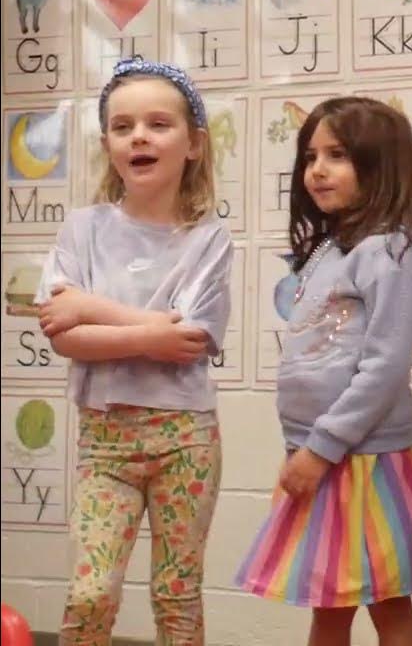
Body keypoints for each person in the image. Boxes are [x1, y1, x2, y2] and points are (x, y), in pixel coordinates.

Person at [236, 97, 412, 646]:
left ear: (380, 166)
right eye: (311, 156)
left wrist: (321, 448)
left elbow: (384, 365)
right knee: (328, 600)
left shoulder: (391, 252)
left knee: (386, 594)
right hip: (320, 452)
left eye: (337, 155)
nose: (317, 170)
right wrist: (304, 449)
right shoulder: (331, 249)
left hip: (367, 455)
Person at [37, 57, 232, 645]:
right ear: (108, 145)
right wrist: (150, 331)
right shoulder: (83, 229)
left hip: (186, 439)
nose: (139, 136)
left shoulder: (208, 239)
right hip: (105, 440)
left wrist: (95, 309)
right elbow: (63, 332)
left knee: (177, 596)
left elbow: (190, 341)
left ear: (193, 144)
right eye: (122, 127)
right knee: (91, 590)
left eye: (157, 124)